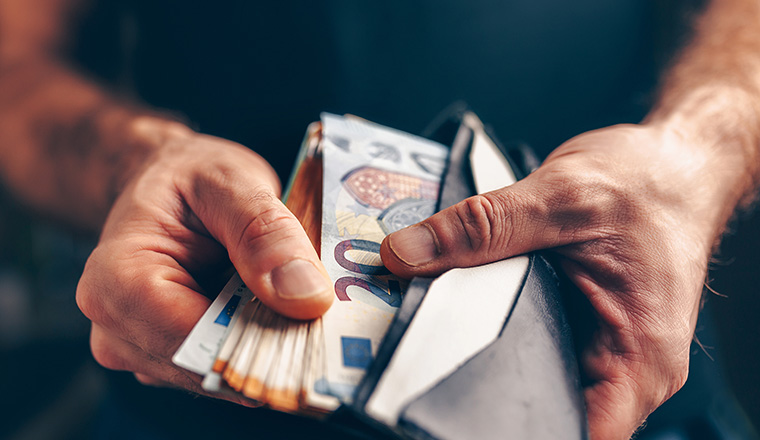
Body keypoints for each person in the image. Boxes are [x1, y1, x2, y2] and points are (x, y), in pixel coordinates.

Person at [0, 0, 758, 439]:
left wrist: (696, 149)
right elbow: (15, 65)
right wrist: (137, 160)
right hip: (200, 376)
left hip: (615, 350)